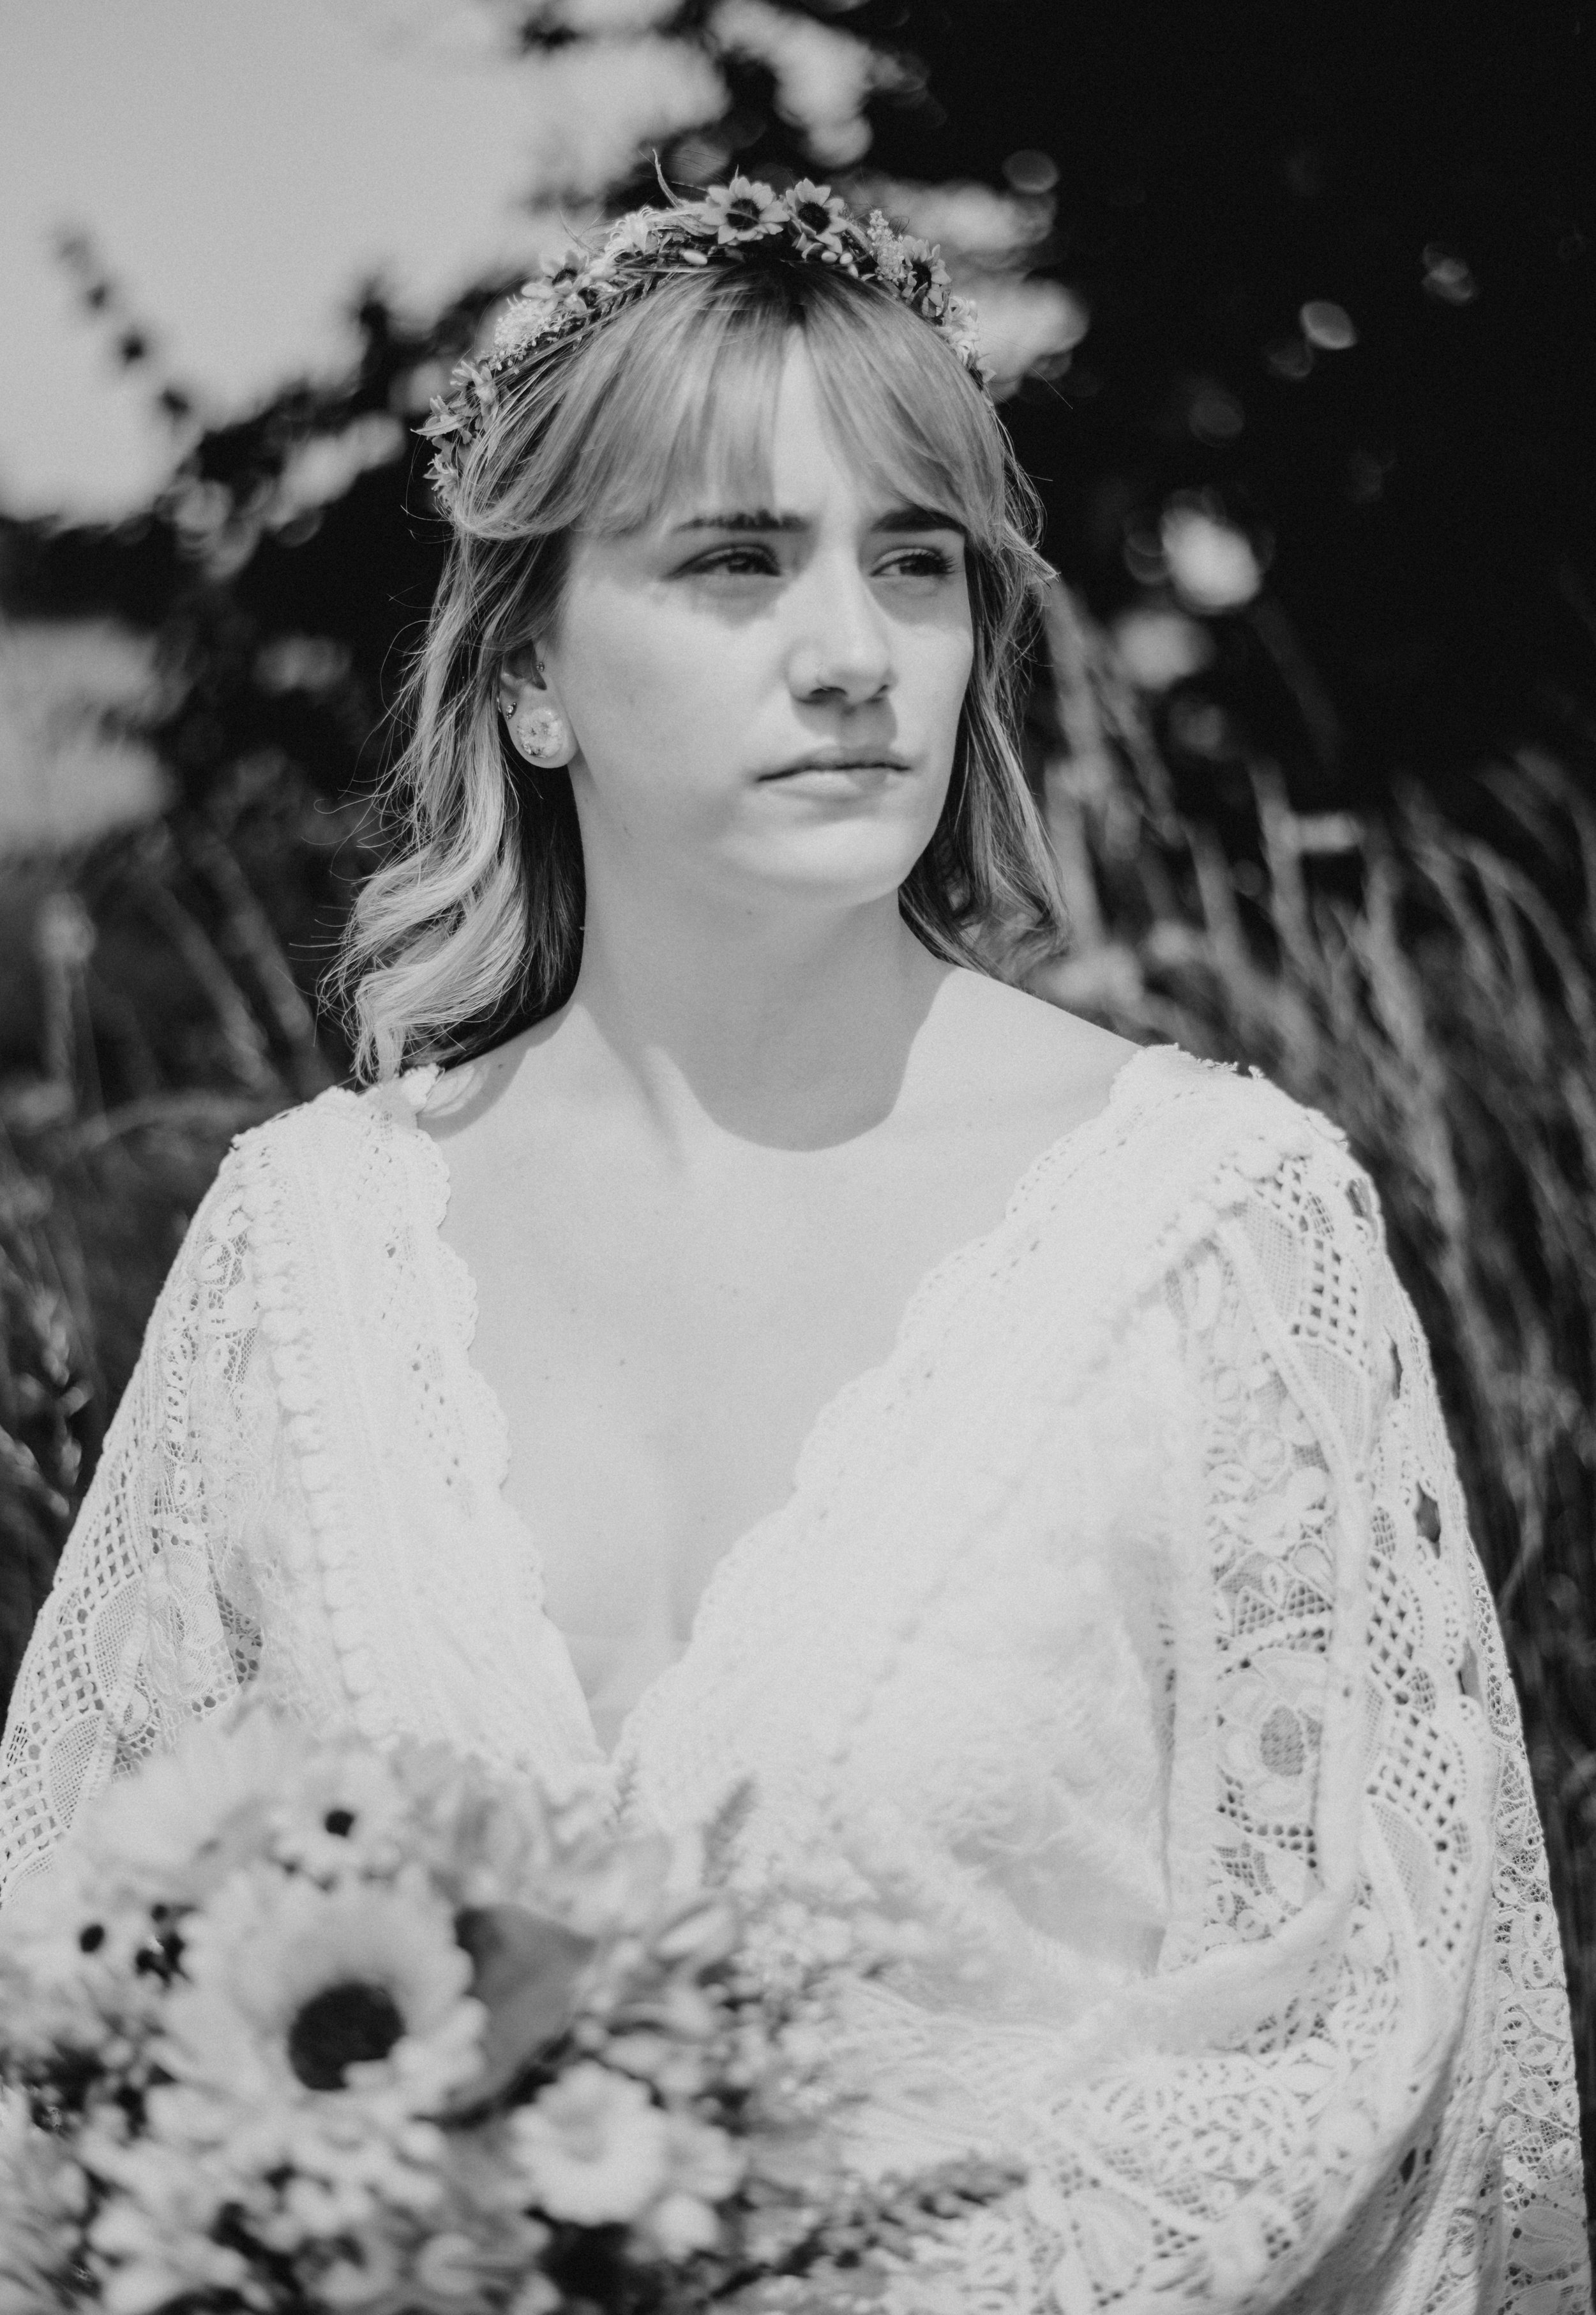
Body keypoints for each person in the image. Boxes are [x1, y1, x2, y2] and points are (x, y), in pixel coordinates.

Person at [0, 178, 1586, 2312]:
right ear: (533, 673)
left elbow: (1370, 2014)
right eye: (735, 561)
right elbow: (77, 1980)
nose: (853, 653)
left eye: (913, 564)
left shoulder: (1214, 1225)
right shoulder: (305, 1243)